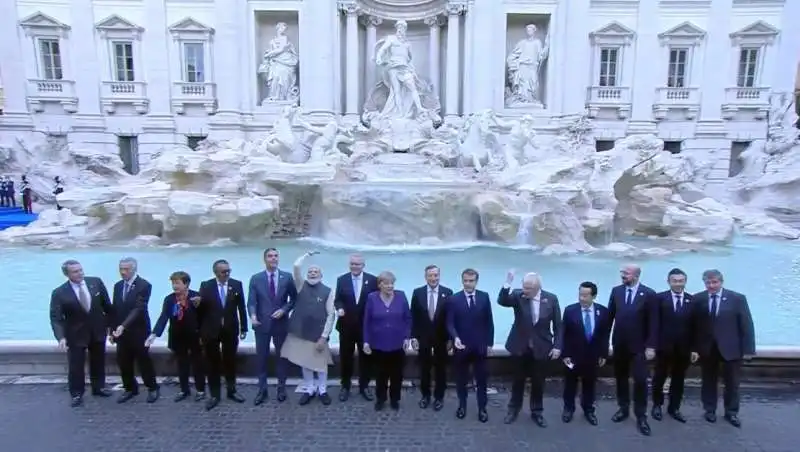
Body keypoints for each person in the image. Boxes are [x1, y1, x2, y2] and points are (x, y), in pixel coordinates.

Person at [691, 269, 755, 428]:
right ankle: (709, 410)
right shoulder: (697, 299)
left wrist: (748, 350)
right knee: (708, 382)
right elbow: (693, 326)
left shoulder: (737, 299)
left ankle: (731, 413)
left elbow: (746, 325)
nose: (711, 285)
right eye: (708, 282)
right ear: (704, 283)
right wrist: (693, 348)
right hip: (707, 349)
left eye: (714, 282)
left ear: (721, 282)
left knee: (732, 383)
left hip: (731, 349)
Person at [498, 270, 562, 426]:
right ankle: (513, 409)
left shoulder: (551, 299)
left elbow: (558, 326)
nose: (524, 291)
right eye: (523, 287)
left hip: (541, 347)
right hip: (520, 346)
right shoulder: (518, 296)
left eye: (528, 289)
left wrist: (557, 346)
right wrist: (507, 283)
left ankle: (537, 411)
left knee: (539, 382)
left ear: (537, 288)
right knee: (517, 380)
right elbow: (502, 300)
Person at [49, 260, 114, 407]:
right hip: (75, 335)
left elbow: (107, 306)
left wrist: (111, 326)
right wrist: (61, 337)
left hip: (98, 330)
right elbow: (56, 318)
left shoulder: (96, 283)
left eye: (80, 270)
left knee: (98, 361)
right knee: (76, 365)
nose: (80, 273)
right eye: (75, 271)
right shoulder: (59, 293)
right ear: (67, 274)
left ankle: (99, 387)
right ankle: (77, 394)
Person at [608, 264, 658, 436]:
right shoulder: (616, 291)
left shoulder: (649, 294)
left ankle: (641, 415)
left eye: (626, 273)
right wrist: (606, 343)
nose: (622, 275)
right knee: (620, 378)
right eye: (622, 272)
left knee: (641, 381)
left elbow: (654, 322)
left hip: (640, 347)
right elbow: (609, 318)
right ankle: (623, 408)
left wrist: (651, 345)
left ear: (636, 275)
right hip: (620, 345)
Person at [281, 251, 335, 405]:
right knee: (305, 362)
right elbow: (296, 267)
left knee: (321, 364)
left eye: (315, 271)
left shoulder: (328, 291)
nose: (312, 273)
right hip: (301, 331)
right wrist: (306, 255)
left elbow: (331, 314)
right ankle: (310, 388)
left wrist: (324, 336)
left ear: (321, 275)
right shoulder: (300, 285)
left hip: (318, 333)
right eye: (310, 271)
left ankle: (322, 390)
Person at [247, 248, 297, 405]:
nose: (273, 258)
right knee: (261, 358)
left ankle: (281, 388)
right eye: (270, 256)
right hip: (261, 325)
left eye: (276, 256)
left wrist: (284, 310)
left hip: (281, 324)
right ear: (264, 259)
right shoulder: (256, 279)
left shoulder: (287, 277)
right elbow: (251, 302)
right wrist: (253, 316)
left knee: (282, 358)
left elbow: (294, 299)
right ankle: (262, 390)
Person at [197, 259, 248, 410]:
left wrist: (244, 328)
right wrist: (199, 331)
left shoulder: (236, 285)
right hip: (211, 331)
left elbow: (241, 307)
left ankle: (232, 391)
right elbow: (201, 310)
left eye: (228, 271)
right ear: (216, 272)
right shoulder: (206, 286)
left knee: (230, 362)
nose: (227, 274)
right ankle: (214, 395)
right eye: (223, 272)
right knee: (212, 364)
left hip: (230, 330)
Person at [148, 271, 206, 403]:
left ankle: (200, 390)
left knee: (198, 364)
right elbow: (164, 317)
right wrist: (154, 333)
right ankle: (184, 390)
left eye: (177, 283)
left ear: (186, 284)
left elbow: (204, 317)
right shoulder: (169, 299)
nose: (175, 286)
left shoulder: (196, 297)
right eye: (173, 283)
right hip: (177, 337)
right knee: (182, 364)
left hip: (195, 336)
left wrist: (204, 334)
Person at [559, 281, 611, 425]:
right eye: (580, 294)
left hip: (592, 356)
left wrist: (603, 354)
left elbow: (605, 335)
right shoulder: (570, 310)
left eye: (585, 295)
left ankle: (589, 410)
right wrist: (565, 355)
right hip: (573, 357)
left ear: (593, 296)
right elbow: (564, 334)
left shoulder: (603, 311)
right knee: (570, 384)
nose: (582, 298)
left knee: (590, 385)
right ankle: (568, 409)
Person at [446, 268, 494, 423]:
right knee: (461, 380)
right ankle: (462, 406)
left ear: (476, 281)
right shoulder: (454, 299)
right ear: (462, 281)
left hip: (480, 347)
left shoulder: (484, 297)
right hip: (461, 347)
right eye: (465, 280)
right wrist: (455, 338)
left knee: (482, 380)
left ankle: (482, 409)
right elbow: (450, 323)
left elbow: (489, 322)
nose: (468, 283)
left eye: (471, 281)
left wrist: (489, 343)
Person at [110, 257, 159, 404]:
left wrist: (123, 326)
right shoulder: (118, 286)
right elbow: (116, 309)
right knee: (123, 361)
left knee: (143, 361)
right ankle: (130, 388)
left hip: (139, 331)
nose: (123, 272)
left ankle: (152, 387)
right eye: (121, 269)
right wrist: (112, 330)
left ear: (134, 269)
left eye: (126, 269)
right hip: (121, 333)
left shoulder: (144, 285)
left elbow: (139, 308)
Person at [362, 271, 411, 411]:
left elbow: (408, 318)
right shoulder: (372, 298)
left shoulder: (401, 296)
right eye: (387, 283)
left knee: (397, 375)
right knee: (380, 375)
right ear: (380, 285)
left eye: (392, 283)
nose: (390, 286)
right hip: (378, 344)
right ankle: (381, 399)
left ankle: (395, 399)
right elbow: (367, 321)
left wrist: (407, 337)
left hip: (397, 344)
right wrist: (366, 341)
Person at [651, 268, 693, 423]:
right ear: (668, 282)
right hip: (663, 348)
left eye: (681, 281)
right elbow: (654, 324)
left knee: (679, 379)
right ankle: (657, 405)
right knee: (659, 378)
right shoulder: (659, 298)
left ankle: (674, 408)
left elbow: (695, 326)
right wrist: (652, 345)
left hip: (683, 349)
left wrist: (694, 348)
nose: (678, 284)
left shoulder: (691, 300)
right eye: (674, 281)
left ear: (685, 281)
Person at [334, 253, 378, 402]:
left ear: (363, 265)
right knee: (346, 358)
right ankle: (345, 386)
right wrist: (339, 308)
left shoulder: (372, 280)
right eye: (352, 264)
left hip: (366, 328)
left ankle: (364, 386)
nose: (354, 266)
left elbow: (376, 301)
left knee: (366, 358)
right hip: (346, 327)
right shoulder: (342, 280)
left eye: (357, 264)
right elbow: (337, 299)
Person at [409, 264, 453, 411]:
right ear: (425, 277)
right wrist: (413, 337)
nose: (433, 278)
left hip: (441, 338)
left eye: (435, 275)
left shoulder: (448, 292)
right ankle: (425, 396)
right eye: (430, 275)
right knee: (424, 369)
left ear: (439, 276)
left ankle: (439, 397)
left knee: (441, 369)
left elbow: (450, 318)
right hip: (424, 337)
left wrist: (451, 339)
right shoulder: (417, 293)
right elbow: (413, 316)